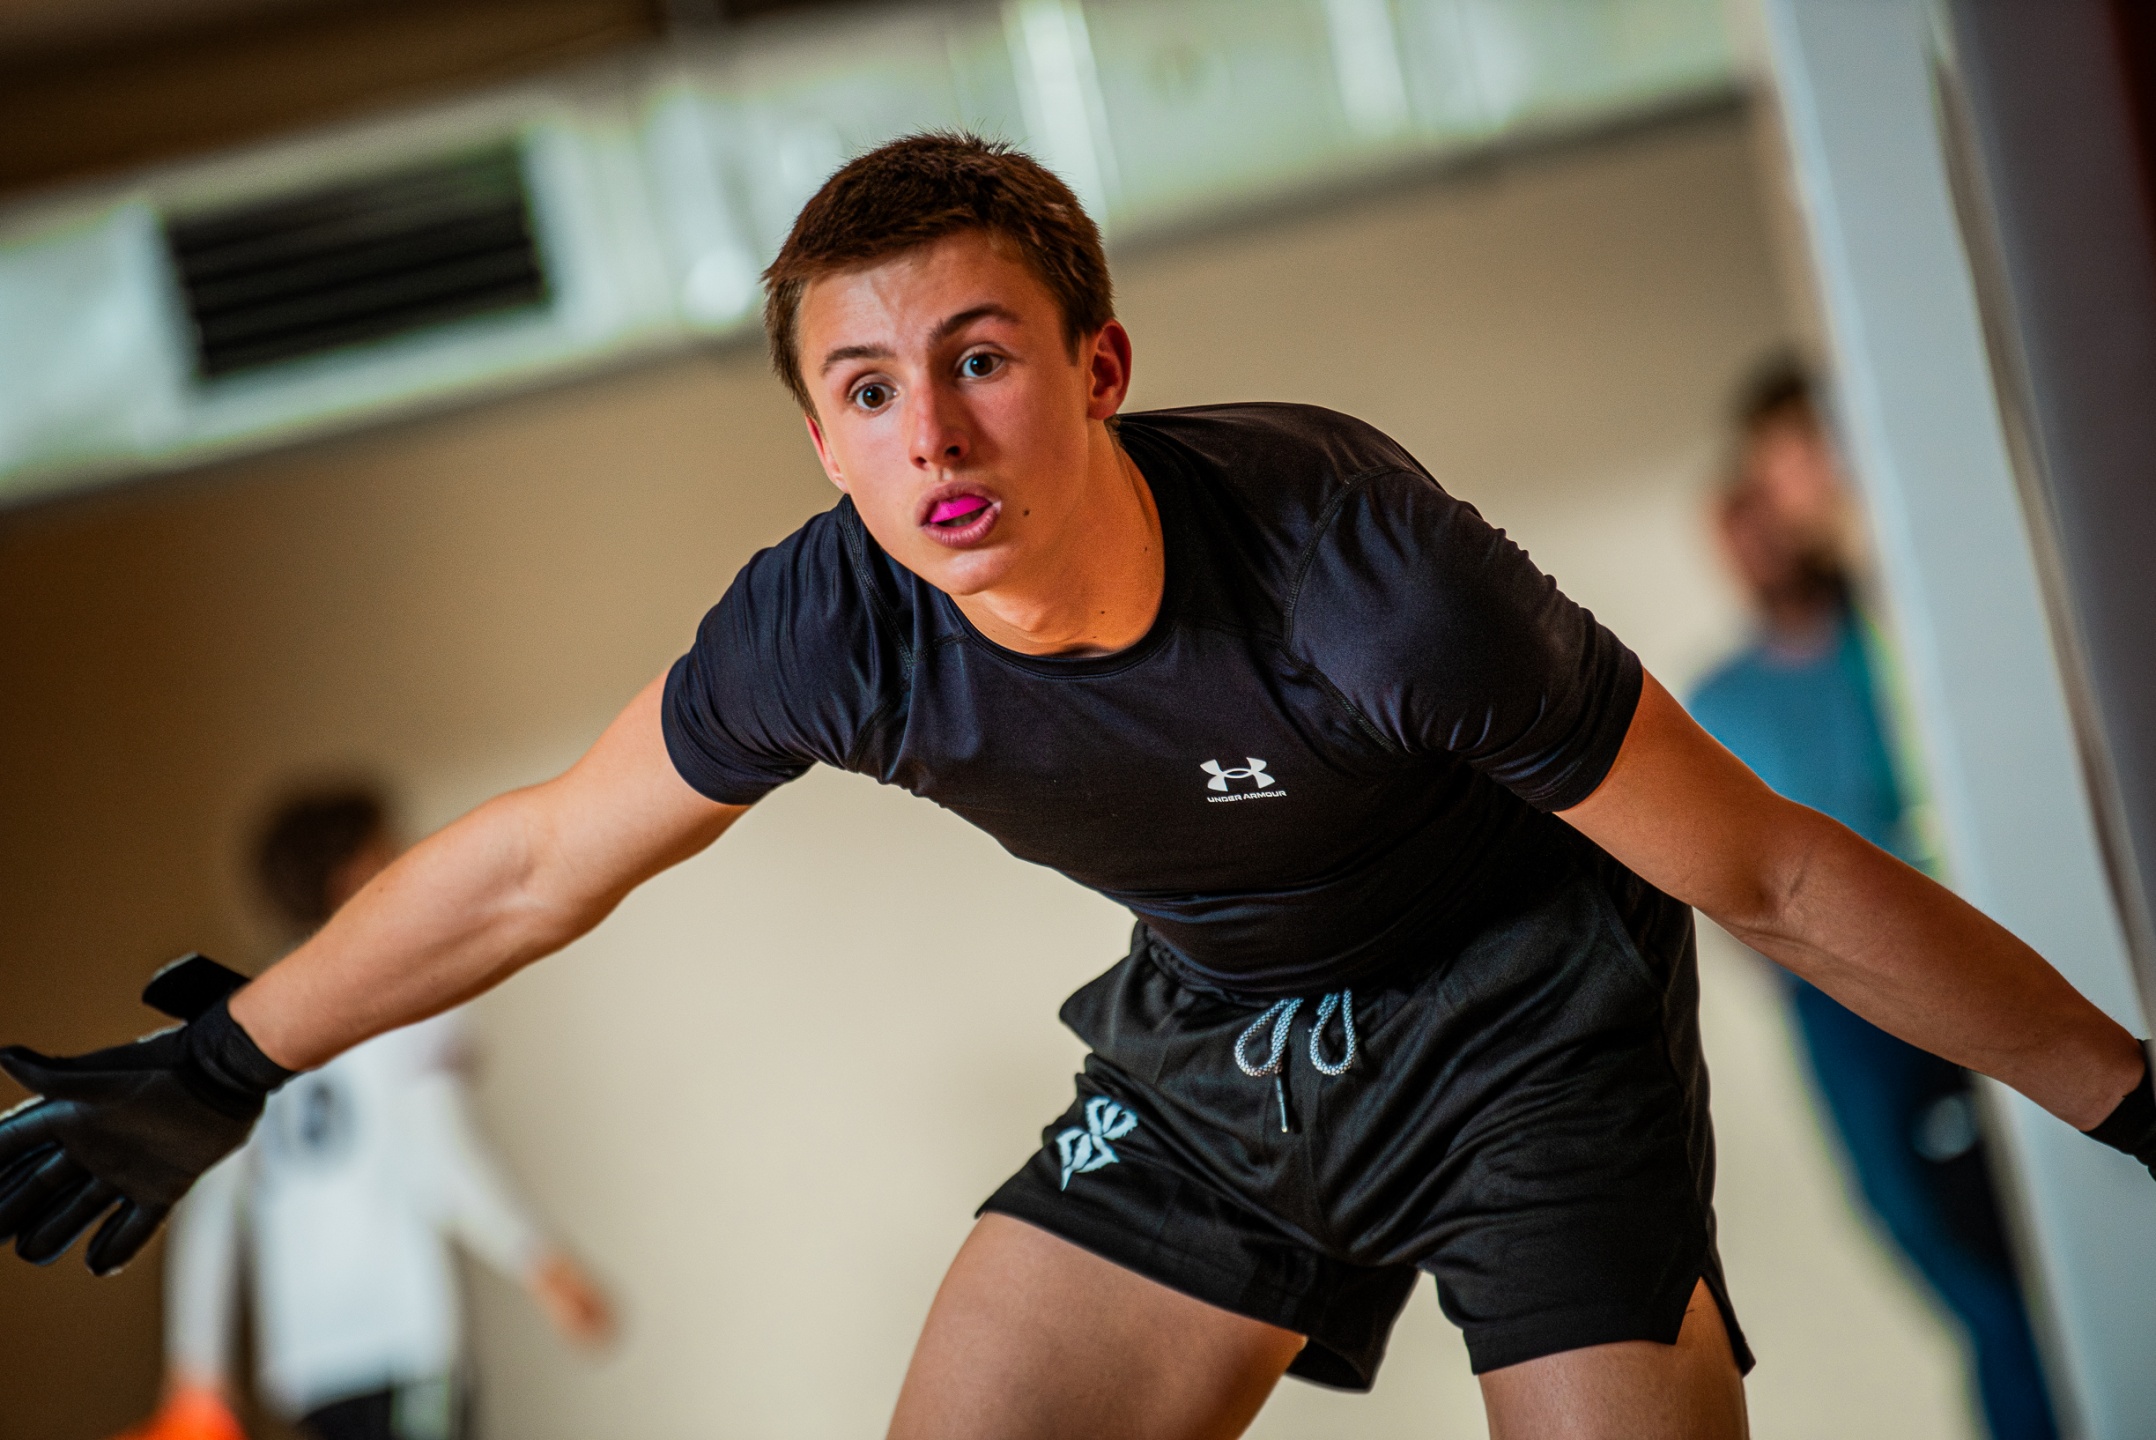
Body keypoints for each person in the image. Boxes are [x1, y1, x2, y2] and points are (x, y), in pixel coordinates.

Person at [3, 134, 2152, 1440]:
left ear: (1097, 367)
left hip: (1523, 1026)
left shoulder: (1365, 583)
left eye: (979, 358)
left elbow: (1772, 877)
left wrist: (2130, 1099)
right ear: (823, 444)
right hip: (1222, 1044)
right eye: (867, 391)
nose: (932, 436)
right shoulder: (826, 626)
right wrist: (227, 1058)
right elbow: (541, 861)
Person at [1689, 364, 2058, 1440]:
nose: (1765, 532)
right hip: (1836, 1002)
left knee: (2025, 1239)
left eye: (1792, 477)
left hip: (1953, 940)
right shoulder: (1721, 698)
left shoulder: (1891, 632)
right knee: (1956, 1263)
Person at [112, 786, 614, 1440]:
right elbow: (440, 1150)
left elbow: (210, 1204)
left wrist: (196, 1368)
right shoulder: (410, 990)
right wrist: (539, 1259)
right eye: (395, 854)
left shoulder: (238, 1021)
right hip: (404, 1333)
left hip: (308, 1352)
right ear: (355, 878)